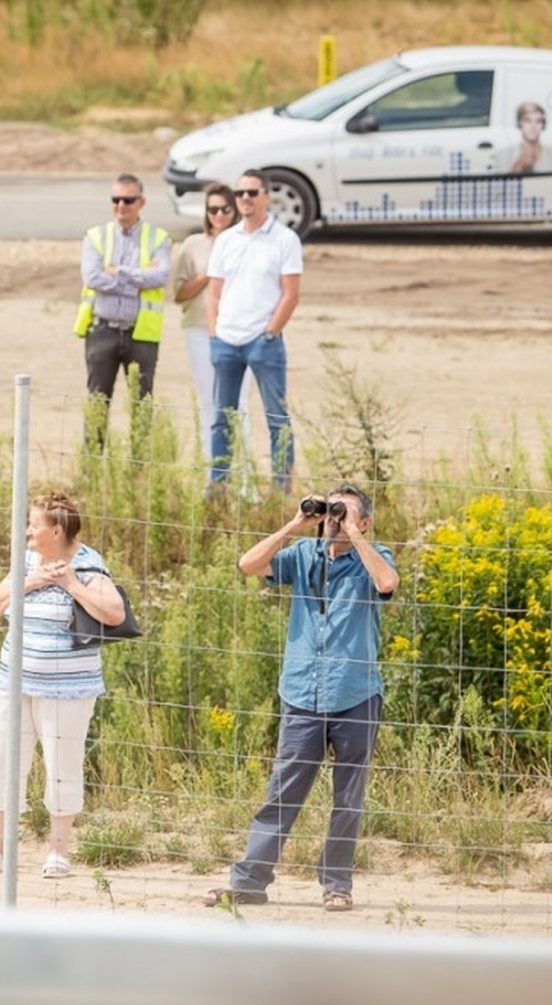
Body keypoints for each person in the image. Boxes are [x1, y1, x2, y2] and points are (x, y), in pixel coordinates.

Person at [204, 486, 398, 912]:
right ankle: (249, 882)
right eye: (330, 511)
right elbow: (248, 564)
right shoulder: (304, 555)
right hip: (302, 693)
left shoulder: (375, 555)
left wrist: (353, 534)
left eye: (344, 512)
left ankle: (337, 885)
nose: (333, 519)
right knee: (282, 792)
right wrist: (296, 524)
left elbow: (387, 583)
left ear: (365, 521)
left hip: (355, 693)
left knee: (348, 798)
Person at [0, 491, 125, 880]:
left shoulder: (89, 564)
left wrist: (71, 584)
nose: (27, 531)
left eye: (34, 525)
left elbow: (114, 614)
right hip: (14, 682)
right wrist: (31, 581)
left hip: (68, 689)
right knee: (3, 763)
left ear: (56, 531)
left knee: (62, 766)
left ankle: (58, 852)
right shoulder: (25, 560)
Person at [206, 168, 303, 492]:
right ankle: (218, 486)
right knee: (222, 417)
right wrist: (214, 335)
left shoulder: (285, 239)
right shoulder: (226, 240)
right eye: (240, 193)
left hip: (263, 341)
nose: (244, 198)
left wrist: (270, 333)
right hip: (226, 340)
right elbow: (214, 293)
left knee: (277, 418)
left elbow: (291, 294)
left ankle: (281, 489)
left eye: (251, 192)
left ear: (266, 196)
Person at [74, 173, 172, 441]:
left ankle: (139, 464)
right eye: (116, 199)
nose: (121, 206)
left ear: (141, 202)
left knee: (141, 406)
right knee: (97, 403)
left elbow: (160, 276)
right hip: (102, 330)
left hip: (140, 334)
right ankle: (92, 463)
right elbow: (92, 278)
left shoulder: (158, 238)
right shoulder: (96, 237)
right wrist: (137, 279)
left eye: (128, 200)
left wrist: (118, 272)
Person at [170, 182, 249, 461]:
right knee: (209, 401)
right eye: (213, 210)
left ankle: (242, 472)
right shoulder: (194, 245)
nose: (219, 215)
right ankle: (211, 468)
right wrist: (208, 275)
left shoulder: (245, 243)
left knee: (239, 403)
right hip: (199, 330)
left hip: (238, 333)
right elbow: (179, 293)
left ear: (235, 210)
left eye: (225, 209)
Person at [507, 102, 552, 174]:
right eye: (528, 121)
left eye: (538, 121)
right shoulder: (504, 155)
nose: (533, 126)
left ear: (543, 125)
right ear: (519, 123)